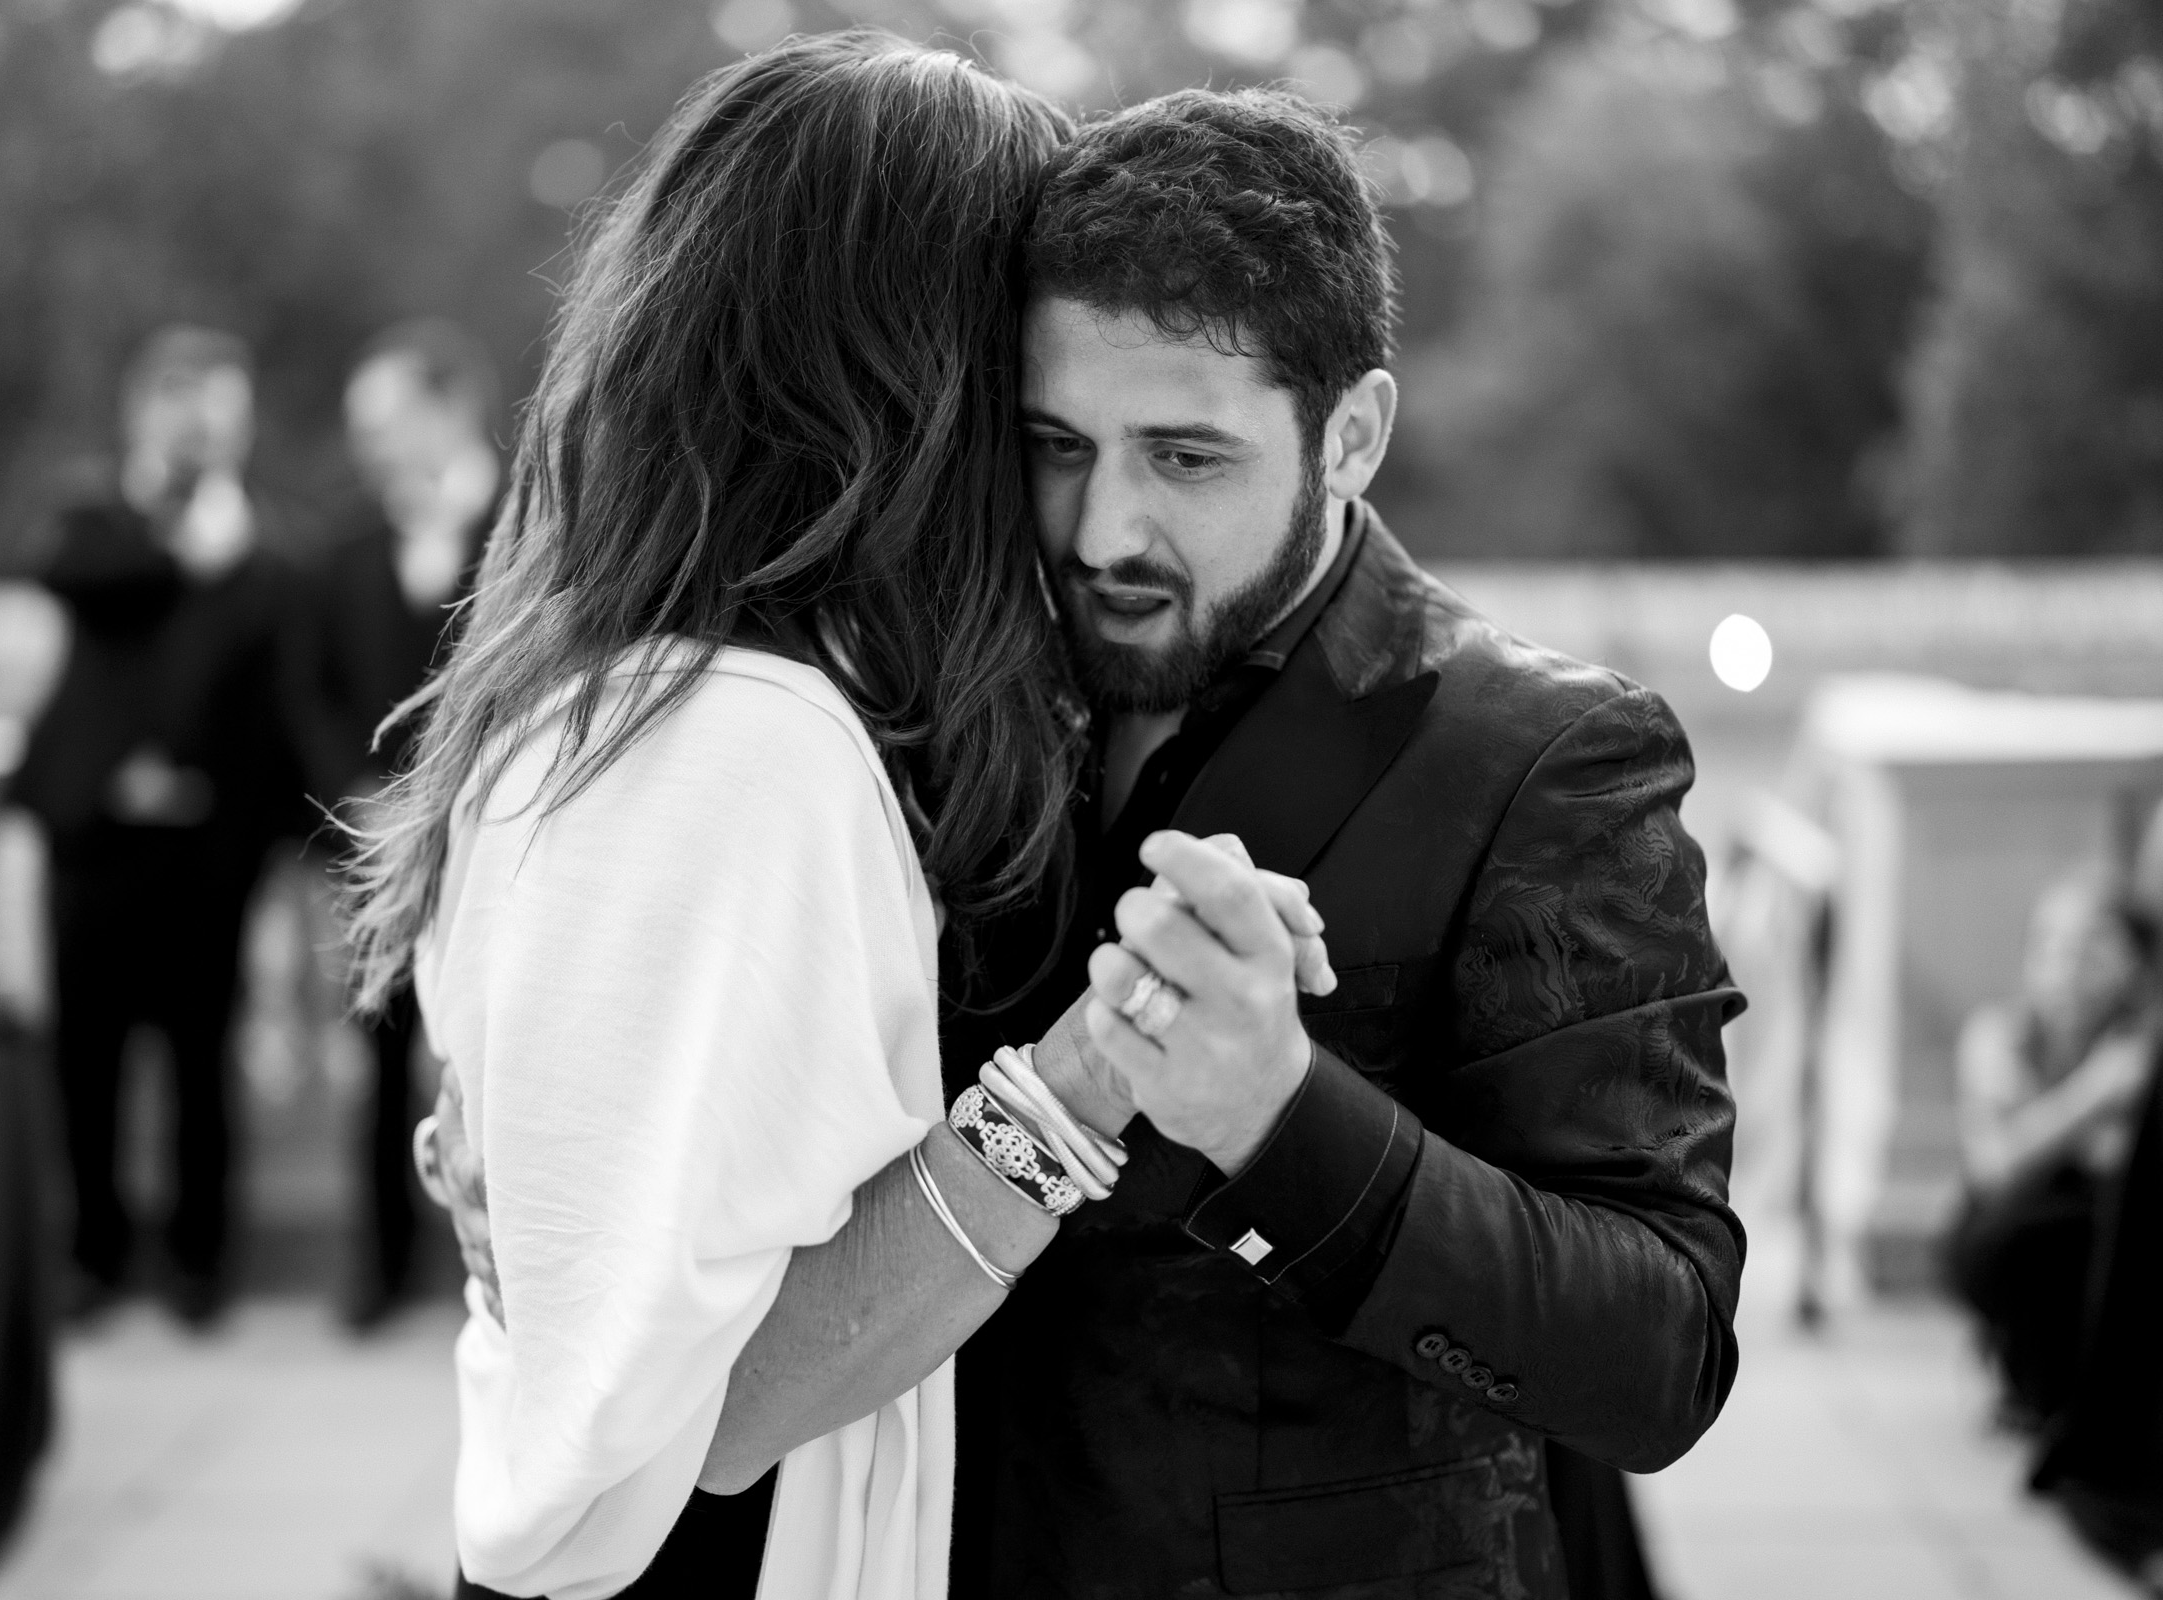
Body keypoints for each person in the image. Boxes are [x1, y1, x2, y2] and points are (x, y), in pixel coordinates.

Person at [424, 82, 1743, 1600]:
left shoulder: (1545, 753)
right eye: (1054, 443)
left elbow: (1661, 1347)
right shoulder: (928, 688)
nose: (1104, 531)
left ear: (1352, 435)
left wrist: (1282, 1119)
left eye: (1186, 458)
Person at [345, 36, 1331, 1600]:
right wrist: (1100, 1056)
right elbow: (720, 1413)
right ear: (919, 372)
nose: (1069, 485)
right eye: (1034, 399)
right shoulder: (745, 742)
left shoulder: (632, 687)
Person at [6, 325, 311, 1327]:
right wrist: (178, 541)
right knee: (84, 1063)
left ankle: (198, 1262)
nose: (198, 434)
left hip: (203, 848)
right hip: (94, 840)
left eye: (218, 412)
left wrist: (225, 557)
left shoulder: (261, 551)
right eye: (181, 411)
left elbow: (273, 697)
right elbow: (75, 576)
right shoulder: (100, 515)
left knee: (198, 1060)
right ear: (145, 414)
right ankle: (91, 1256)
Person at [295, 318, 504, 1330]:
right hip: (378, 850)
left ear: (449, 407)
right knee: (375, 1057)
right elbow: (312, 692)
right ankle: (376, 1269)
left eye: (385, 422)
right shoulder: (340, 547)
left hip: (501, 840)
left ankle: (514, 1268)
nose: (371, 447)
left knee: (506, 1057)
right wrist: (355, 793)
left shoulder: (535, 521)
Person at [1946, 866, 2158, 1428]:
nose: (2068, 966)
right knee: (2017, 1230)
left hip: (2101, 1230)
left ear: (2132, 964)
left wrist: (2046, 1132)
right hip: (2004, 1232)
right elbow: (1993, 1166)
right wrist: (2094, 1096)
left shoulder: (2143, 1039)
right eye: (2052, 945)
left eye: (2092, 946)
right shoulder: (1998, 1034)